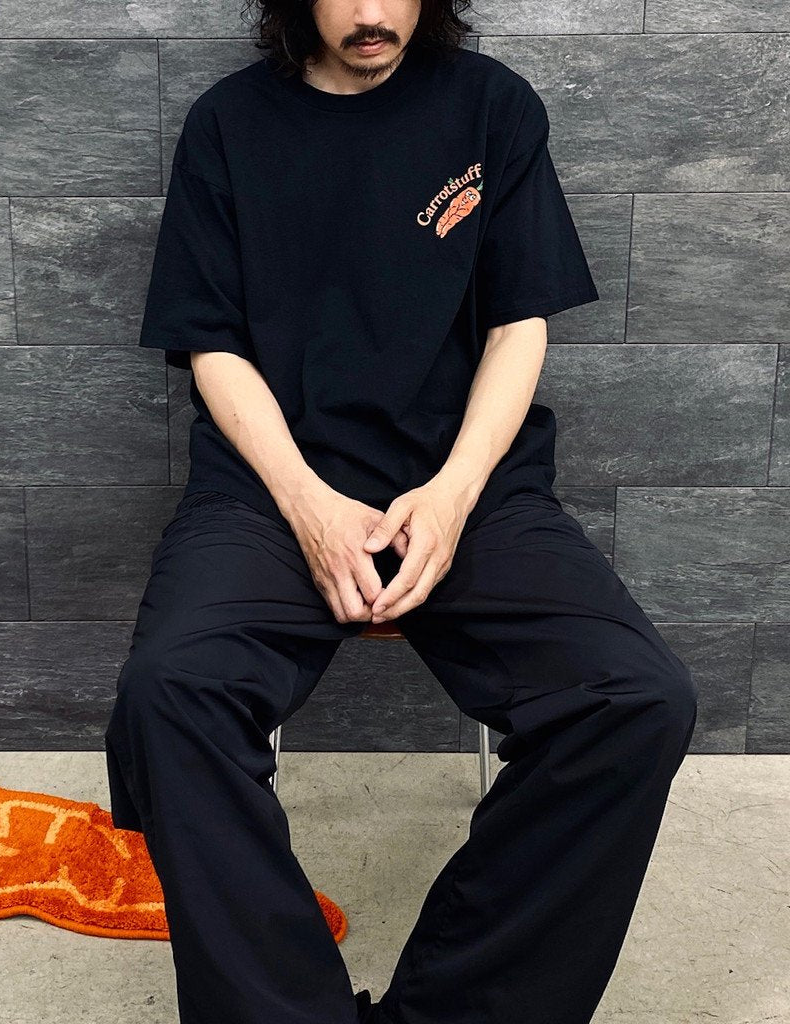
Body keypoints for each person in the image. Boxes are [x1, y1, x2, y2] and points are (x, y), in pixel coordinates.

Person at [105, 1, 699, 1022]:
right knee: (170, 695)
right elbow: (213, 346)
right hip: (271, 490)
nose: (373, 12)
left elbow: (517, 326)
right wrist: (308, 505)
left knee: (637, 698)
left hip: (467, 487)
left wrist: (455, 494)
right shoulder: (228, 123)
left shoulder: (491, 108)